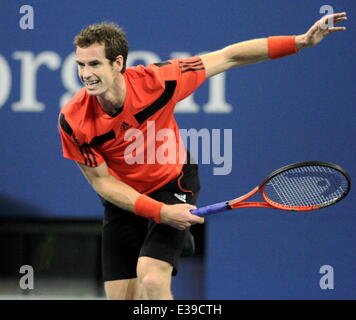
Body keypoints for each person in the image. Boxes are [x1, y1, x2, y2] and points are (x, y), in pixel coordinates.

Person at [58, 12, 347, 300]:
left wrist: (300, 41)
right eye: (80, 65)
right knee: (123, 298)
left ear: (117, 63)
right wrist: (158, 213)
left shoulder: (160, 81)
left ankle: (170, 240)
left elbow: (230, 56)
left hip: (173, 184)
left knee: (151, 279)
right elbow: (102, 183)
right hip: (125, 198)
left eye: (94, 63)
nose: (85, 74)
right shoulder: (73, 119)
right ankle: (170, 237)